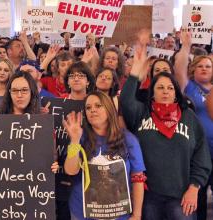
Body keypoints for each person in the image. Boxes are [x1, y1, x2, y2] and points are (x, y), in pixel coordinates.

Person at [120, 39, 212, 219]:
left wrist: (195, 187)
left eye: (170, 88)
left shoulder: (188, 117)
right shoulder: (141, 112)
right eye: (160, 87)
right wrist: (135, 73)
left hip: (181, 195)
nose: (165, 91)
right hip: (148, 196)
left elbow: (202, 155)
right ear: (152, 91)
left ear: (176, 92)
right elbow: (126, 100)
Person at [63, 91, 146, 220]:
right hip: (83, 212)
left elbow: (138, 178)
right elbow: (70, 171)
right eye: (88, 108)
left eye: (98, 105)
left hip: (119, 214)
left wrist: (137, 214)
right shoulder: (81, 136)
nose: (93, 110)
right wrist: (74, 140)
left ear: (108, 109)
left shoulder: (129, 139)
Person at [174, 30, 213, 220]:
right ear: (194, 70)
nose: (205, 69)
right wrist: (186, 46)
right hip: (198, 153)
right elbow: (179, 67)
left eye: (208, 66)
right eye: (200, 66)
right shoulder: (189, 87)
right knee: (198, 195)